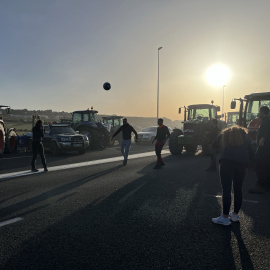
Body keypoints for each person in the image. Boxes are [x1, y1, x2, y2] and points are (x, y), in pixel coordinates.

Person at [212, 126, 253, 226]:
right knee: (238, 188)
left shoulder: (225, 134)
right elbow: (251, 152)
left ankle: (225, 217)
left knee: (226, 189)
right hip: (242, 163)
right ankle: (234, 215)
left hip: (227, 160)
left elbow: (214, 145)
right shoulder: (246, 137)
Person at [248, 106, 270, 194]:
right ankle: (265, 185)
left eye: (259, 111)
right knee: (265, 166)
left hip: (264, 147)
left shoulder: (267, 121)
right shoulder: (265, 120)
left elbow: (267, 131)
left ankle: (261, 186)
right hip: (265, 147)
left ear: (262, 112)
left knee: (260, 165)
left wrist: (263, 138)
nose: (258, 113)